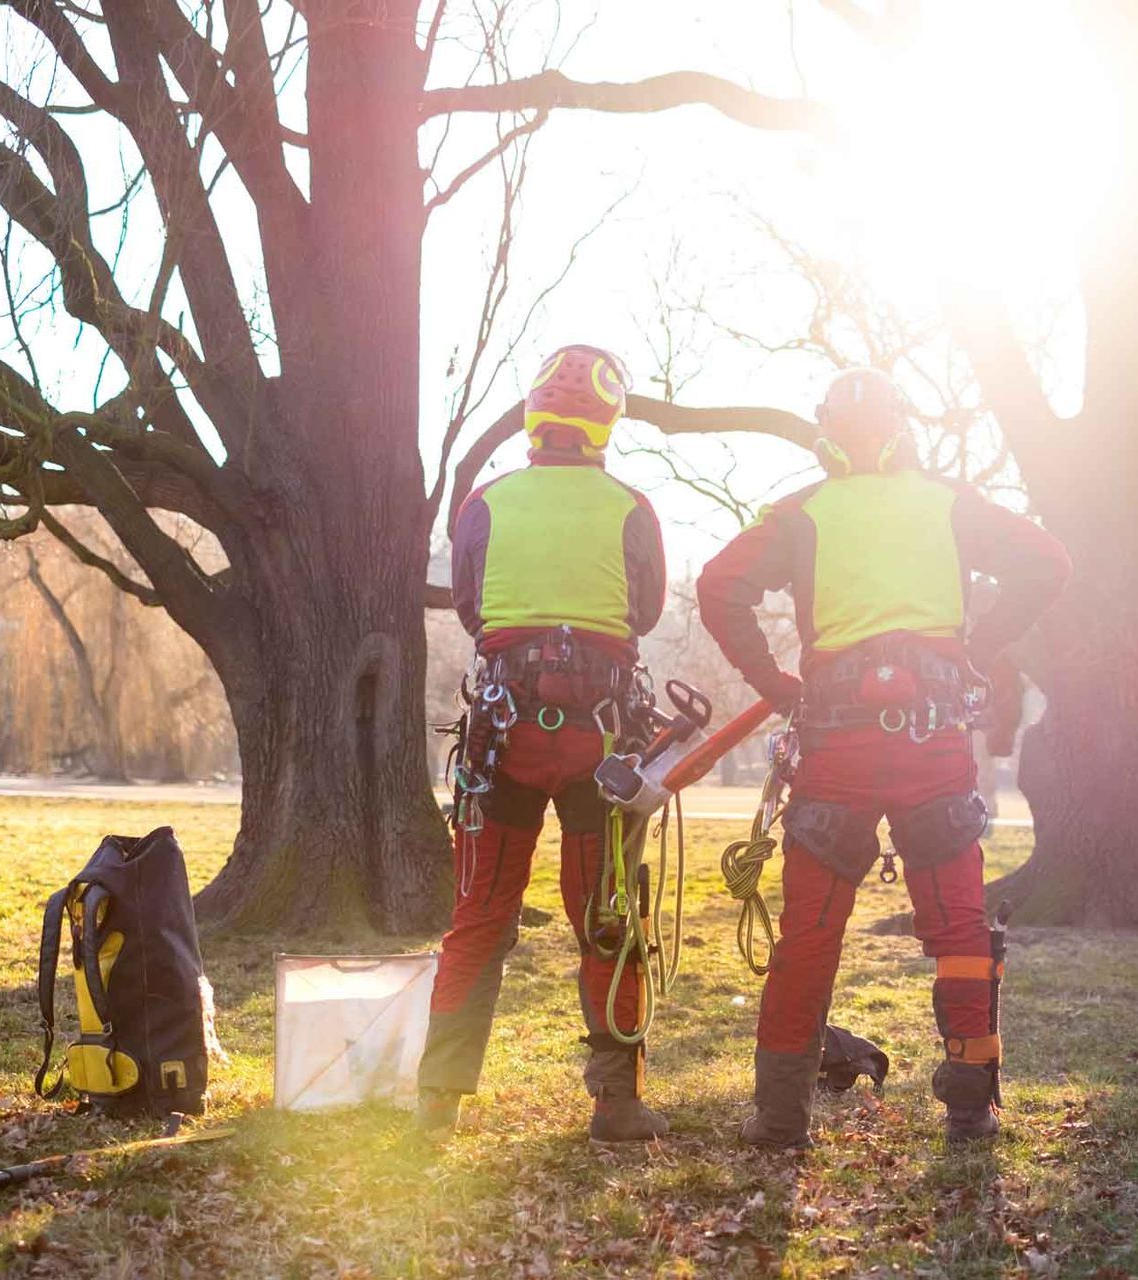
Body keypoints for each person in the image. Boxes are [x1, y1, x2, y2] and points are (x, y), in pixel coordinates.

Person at [697, 368, 1071, 1147]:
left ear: (826, 432)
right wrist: (981, 645)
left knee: (810, 929)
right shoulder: (949, 503)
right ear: (902, 431)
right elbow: (1047, 563)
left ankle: (779, 1117)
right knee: (961, 926)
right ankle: (970, 1103)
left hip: (835, 743)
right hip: (931, 740)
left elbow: (719, 583)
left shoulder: (802, 513)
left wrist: (775, 683)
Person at [417, 344, 671, 1144]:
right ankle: (617, 1104)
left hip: (506, 734)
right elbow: (649, 610)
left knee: (481, 914)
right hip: (601, 738)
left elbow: (469, 605)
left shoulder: (487, 501)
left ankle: (436, 1105)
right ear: (605, 423)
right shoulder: (631, 506)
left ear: (534, 419)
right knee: (607, 912)